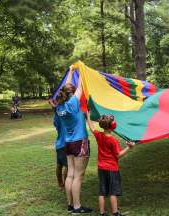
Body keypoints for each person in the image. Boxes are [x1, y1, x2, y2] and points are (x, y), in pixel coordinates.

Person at [55, 65, 92, 214]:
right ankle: (77, 207)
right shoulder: (72, 103)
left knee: (70, 174)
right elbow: (81, 87)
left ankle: (70, 205)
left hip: (68, 143)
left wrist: (70, 71)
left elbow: (67, 88)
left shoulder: (60, 107)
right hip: (79, 142)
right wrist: (82, 71)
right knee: (78, 175)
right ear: (72, 92)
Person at [86, 112, 135, 216]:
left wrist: (88, 115)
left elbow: (91, 127)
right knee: (113, 192)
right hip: (112, 169)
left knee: (102, 192)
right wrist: (129, 148)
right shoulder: (113, 140)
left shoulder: (99, 135)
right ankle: (115, 213)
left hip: (101, 168)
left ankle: (102, 213)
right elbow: (118, 155)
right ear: (112, 126)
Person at [50, 99, 68, 192]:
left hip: (60, 144)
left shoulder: (58, 114)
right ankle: (64, 185)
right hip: (65, 143)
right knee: (67, 166)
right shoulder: (65, 112)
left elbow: (56, 125)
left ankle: (61, 184)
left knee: (60, 164)